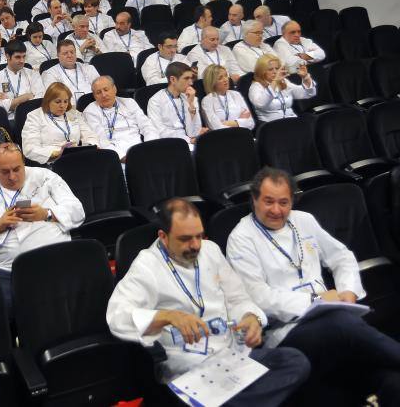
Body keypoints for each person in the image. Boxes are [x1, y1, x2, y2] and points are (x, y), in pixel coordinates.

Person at [106, 198, 310, 403]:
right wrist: (167, 316)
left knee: (295, 361)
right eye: (185, 239)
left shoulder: (210, 250)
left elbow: (237, 298)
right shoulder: (147, 266)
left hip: (231, 355)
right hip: (189, 368)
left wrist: (250, 317)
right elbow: (117, 317)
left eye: (199, 236)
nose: (195, 245)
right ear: (164, 237)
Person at [226, 167, 400, 405]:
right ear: (254, 199)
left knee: (392, 380)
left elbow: (342, 257)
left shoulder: (304, 221)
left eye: (284, 202)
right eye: (268, 202)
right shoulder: (241, 237)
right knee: (342, 324)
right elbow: (259, 298)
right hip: (287, 330)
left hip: (333, 319)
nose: (276, 210)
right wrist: (317, 301)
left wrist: (347, 292)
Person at [0, 142, 85, 310]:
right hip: (10, 271)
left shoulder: (45, 177)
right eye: (5, 172)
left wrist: (47, 214)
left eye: (17, 169)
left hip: (58, 258)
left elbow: (78, 211)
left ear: (24, 162)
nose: (12, 177)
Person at [83, 76, 158, 161]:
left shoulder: (129, 102)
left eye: (106, 90)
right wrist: (122, 157)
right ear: (94, 96)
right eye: (98, 92)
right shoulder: (90, 111)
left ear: (114, 89)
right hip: (113, 156)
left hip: (139, 149)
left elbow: (147, 126)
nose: (103, 95)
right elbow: (101, 139)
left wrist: (150, 146)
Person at [21, 82, 98, 164]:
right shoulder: (35, 116)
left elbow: (89, 135)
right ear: (48, 101)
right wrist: (57, 153)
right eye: (58, 102)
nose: (62, 106)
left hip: (77, 158)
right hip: (51, 162)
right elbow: (30, 149)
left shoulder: (74, 113)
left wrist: (89, 147)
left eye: (66, 101)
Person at [147, 62, 205, 148]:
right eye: (186, 78)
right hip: (170, 145)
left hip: (191, 142)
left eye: (191, 78)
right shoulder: (156, 101)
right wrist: (188, 140)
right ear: (173, 79)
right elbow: (160, 131)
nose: (191, 83)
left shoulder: (191, 97)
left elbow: (195, 132)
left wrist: (191, 105)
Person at [249, 54, 316, 122]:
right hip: (271, 125)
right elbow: (261, 104)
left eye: (277, 68)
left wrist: (306, 77)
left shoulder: (284, 82)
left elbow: (307, 94)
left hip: (292, 120)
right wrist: (275, 82)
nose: (275, 72)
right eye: (270, 69)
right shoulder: (256, 86)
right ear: (262, 71)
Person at [0, 40, 45, 119]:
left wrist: (11, 101)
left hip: (32, 117)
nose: (22, 61)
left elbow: (40, 99)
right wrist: (26, 96)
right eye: (18, 57)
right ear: (7, 56)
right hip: (8, 119)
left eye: (24, 56)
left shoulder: (32, 74)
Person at [201, 65, 254, 130]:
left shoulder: (236, 94)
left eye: (226, 75)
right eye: (220, 78)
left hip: (242, 134)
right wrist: (240, 121)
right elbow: (216, 128)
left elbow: (251, 123)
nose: (225, 79)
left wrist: (228, 123)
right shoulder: (207, 100)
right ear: (212, 82)